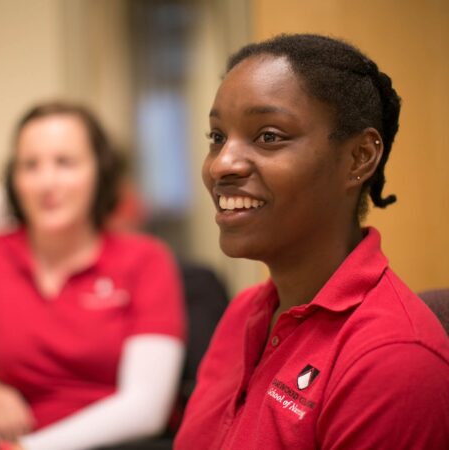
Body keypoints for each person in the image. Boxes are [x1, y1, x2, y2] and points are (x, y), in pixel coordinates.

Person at [174, 34, 449, 449]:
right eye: (217, 137)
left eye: (268, 136)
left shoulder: (394, 359)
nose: (221, 165)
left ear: (359, 158)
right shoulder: (244, 313)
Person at [0, 102, 186, 450]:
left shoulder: (147, 259)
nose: (47, 182)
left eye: (65, 163)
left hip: (122, 443)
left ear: (99, 172)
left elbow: (146, 407)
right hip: (15, 438)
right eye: (30, 165)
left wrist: (33, 448)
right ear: (13, 179)